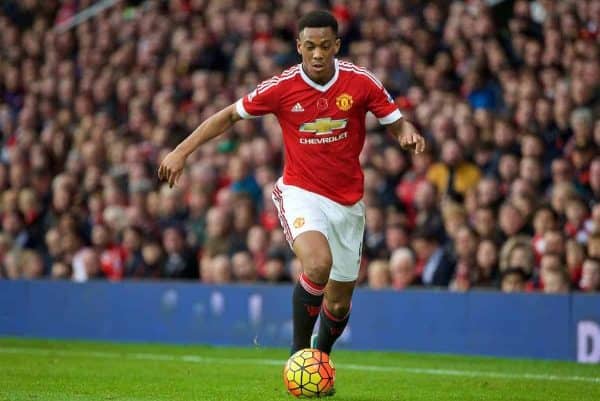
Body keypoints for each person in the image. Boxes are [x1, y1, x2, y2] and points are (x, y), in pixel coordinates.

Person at [158, 10, 425, 361]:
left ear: (337, 46)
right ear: (299, 46)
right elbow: (228, 115)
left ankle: (321, 356)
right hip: (301, 192)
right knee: (317, 265)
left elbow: (395, 120)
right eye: (310, 46)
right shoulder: (281, 87)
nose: (317, 54)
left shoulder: (361, 82)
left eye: (325, 46)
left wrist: (405, 131)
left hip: (348, 203)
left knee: (340, 301)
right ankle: (299, 356)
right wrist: (180, 151)